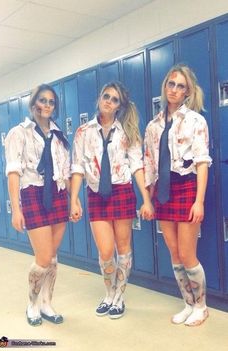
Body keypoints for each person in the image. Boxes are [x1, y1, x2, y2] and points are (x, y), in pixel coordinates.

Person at [70, 81, 154, 319]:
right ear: (99, 98)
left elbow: (137, 166)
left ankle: (119, 297)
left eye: (115, 99)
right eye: (106, 96)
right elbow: (77, 166)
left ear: (119, 106)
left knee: (123, 248)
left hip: (121, 191)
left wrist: (145, 199)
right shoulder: (83, 131)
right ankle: (108, 292)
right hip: (96, 194)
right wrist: (74, 199)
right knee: (106, 251)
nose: (109, 101)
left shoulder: (127, 131)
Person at [144, 64, 212, 326]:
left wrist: (199, 201)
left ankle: (202, 306)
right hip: (163, 190)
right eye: (171, 84)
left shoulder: (196, 121)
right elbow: (150, 164)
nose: (174, 89)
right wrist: (148, 199)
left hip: (186, 187)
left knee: (187, 253)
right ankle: (188, 303)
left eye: (180, 86)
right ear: (165, 87)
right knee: (173, 252)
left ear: (187, 92)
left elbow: (202, 162)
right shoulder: (153, 125)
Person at [5, 84, 73, 326]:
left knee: (53, 257)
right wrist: (16, 209)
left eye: (51, 102)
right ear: (33, 104)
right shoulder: (18, 133)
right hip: (33, 193)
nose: (46, 105)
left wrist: (73, 200)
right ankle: (32, 303)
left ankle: (47, 303)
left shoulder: (59, 135)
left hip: (57, 193)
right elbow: (13, 173)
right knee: (43, 256)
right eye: (42, 100)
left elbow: (66, 170)